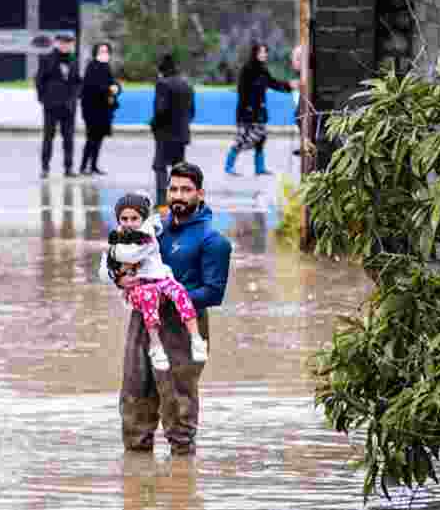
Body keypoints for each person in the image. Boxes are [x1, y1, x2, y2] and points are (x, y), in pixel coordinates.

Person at [101, 162, 232, 456]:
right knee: (134, 402)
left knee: (178, 409)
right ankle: (136, 484)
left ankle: (183, 485)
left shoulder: (214, 241)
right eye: (173, 189)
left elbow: (213, 293)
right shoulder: (152, 228)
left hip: (183, 326)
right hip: (143, 322)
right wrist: (120, 278)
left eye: (186, 190)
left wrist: (168, 297)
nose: (178, 196)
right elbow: (121, 260)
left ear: (200, 193)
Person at [99, 193, 208, 372]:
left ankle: (196, 339)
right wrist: (118, 277)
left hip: (177, 296)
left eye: (134, 218)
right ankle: (155, 347)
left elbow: (133, 254)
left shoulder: (149, 232)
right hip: (144, 298)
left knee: (181, 378)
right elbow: (106, 270)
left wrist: (116, 259)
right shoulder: (125, 237)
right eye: (124, 219)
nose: (128, 222)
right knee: (140, 377)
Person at [223, 43, 299, 176]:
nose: (264, 55)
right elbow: (242, 91)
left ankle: (259, 168)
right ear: (255, 54)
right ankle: (229, 166)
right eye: (261, 52)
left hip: (260, 111)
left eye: (265, 52)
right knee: (242, 138)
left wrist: (289, 86)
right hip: (247, 112)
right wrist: (248, 109)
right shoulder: (247, 69)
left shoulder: (263, 70)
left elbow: (273, 83)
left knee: (261, 139)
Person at [150, 54, 196, 209]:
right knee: (178, 169)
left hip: (165, 133)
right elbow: (192, 112)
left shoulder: (162, 84)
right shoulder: (186, 84)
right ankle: (179, 200)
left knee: (160, 166)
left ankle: (162, 201)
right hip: (182, 133)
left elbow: (160, 110)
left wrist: (154, 124)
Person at [36, 34, 82, 179]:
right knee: (48, 137)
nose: (65, 46)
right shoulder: (46, 59)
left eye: (68, 43)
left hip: (69, 107)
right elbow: (39, 80)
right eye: (63, 43)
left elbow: (78, 81)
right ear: (56, 43)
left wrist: (75, 97)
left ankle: (68, 168)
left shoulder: (74, 60)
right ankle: (45, 168)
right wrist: (44, 99)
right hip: (51, 106)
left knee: (68, 138)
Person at [79, 42, 122, 175]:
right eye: (101, 51)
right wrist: (109, 88)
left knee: (99, 139)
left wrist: (116, 88)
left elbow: (113, 83)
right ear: (96, 52)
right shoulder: (92, 66)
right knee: (91, 138)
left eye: (106, 51)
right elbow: (91, 87)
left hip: (104, 109)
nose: (104, 53)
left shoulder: (107, 66)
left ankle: (93, 166)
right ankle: (84, 166)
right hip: (92, 109)